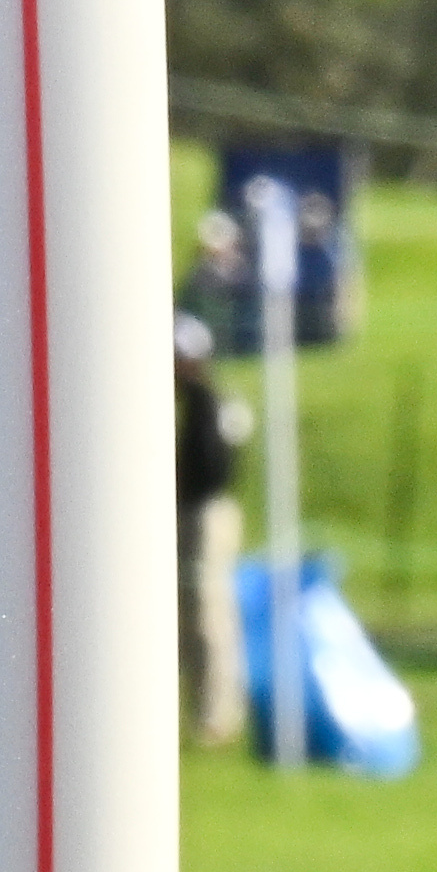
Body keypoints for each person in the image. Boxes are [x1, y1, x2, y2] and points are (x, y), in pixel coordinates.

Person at [175, 315, 243, 752]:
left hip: (204, 515)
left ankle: (215, 716)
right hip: (195, 513)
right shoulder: (198, 404)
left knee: (206, 612)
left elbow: (210, 470)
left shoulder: (210, 405)